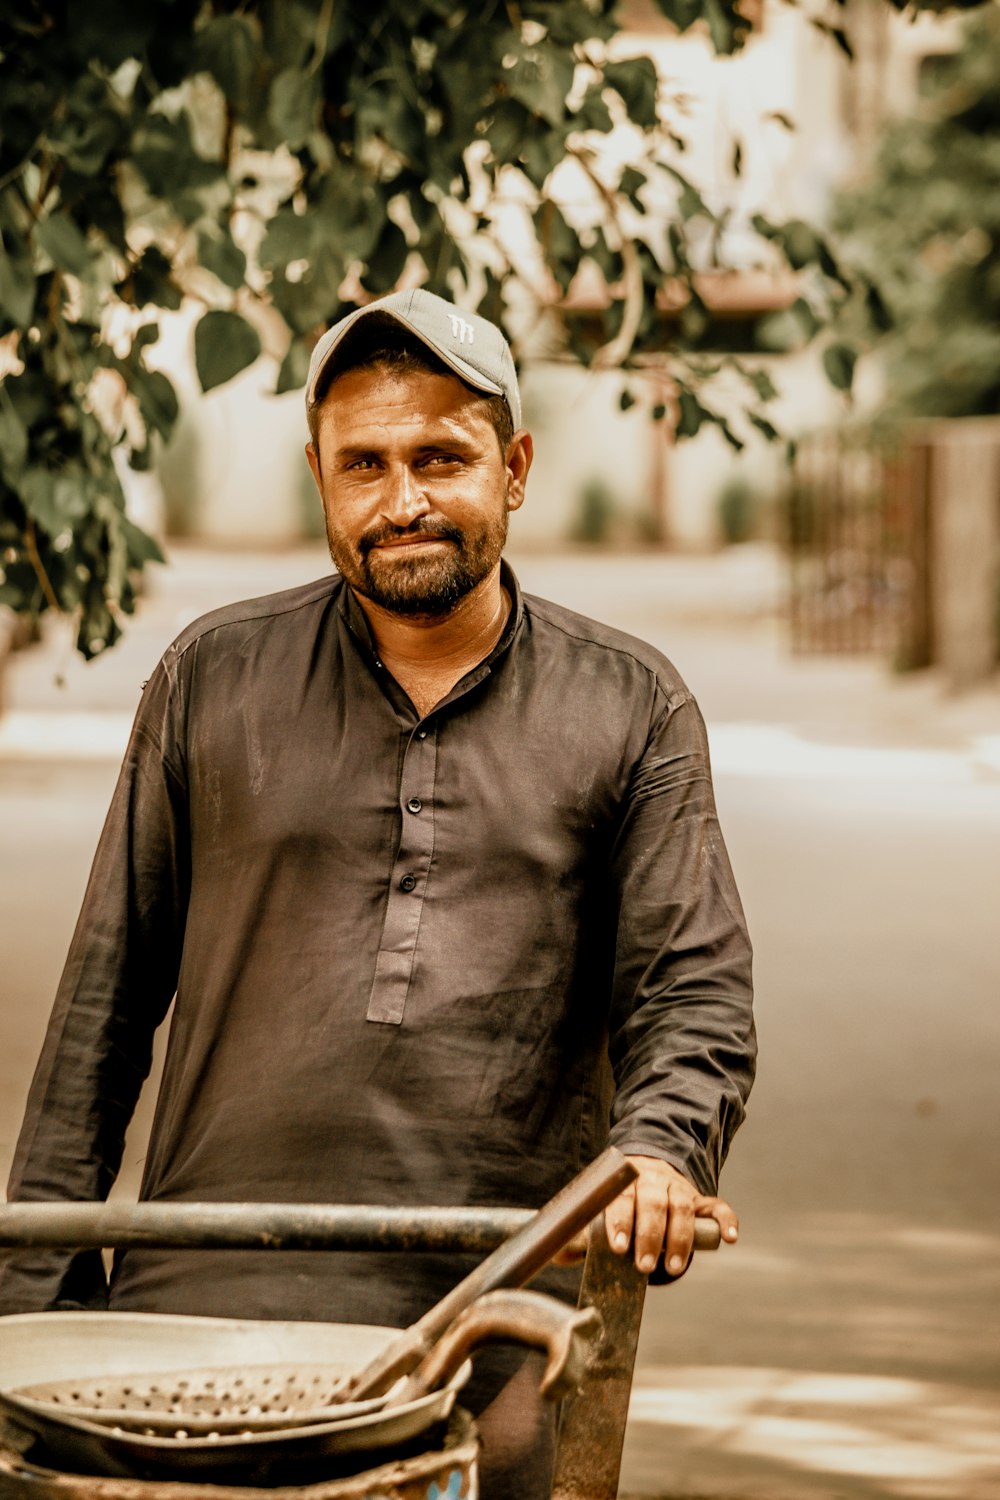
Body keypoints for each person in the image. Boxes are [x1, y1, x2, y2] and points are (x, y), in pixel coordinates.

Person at [0, 289, 755, 1498]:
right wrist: (34, 1294)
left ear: (511, 468)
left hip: (487, 1315)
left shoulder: (631, 705)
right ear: (320, 479)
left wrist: (663, 1153)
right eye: (364, 464)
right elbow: (105, 1002)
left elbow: (691, 988)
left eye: (439, 458)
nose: (401, 500)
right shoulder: (214, 677)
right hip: (198, 1301)